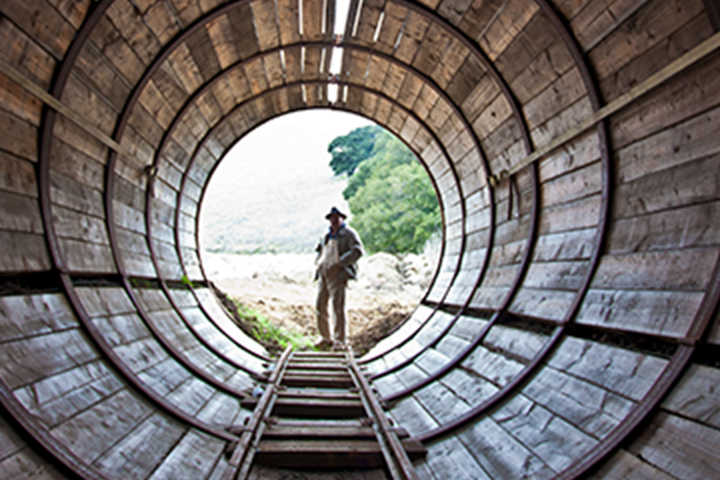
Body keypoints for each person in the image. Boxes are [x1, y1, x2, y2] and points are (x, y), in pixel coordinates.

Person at [315, 207, 363, 350]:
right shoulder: (326, 235)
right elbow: (320, 250)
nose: (334, 220)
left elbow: (357, 251)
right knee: (320, 305)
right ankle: (325, 337)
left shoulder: (348, 234)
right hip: (324, 274)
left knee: (337, 307)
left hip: (338, 274)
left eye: (336, 218)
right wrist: (318, 263)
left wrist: (341, 262)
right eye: (331, 218)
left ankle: (340, 340)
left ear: (342, 218)